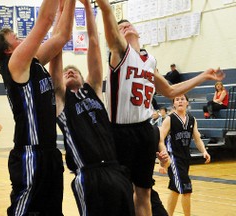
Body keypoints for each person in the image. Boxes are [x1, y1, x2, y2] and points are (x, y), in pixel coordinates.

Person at [95, 1, 224, 215]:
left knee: (144, 192)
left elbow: (171, 91)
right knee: (120, 191)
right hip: (119, 131)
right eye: (120, 26)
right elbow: (108, 14)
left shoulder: (149, 60)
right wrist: (104, 5)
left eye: (129, 24)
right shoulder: (118, 52)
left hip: (145, 131)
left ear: (138, 32)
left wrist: (203, 76)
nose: (125, 26)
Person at [0, 0, 76, 215]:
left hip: (49, 151)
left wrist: (67, 5)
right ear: (9, 50)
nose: (21, 38)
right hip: (30, 153)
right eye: (16, 38)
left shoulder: (33, 63)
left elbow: (61, 37)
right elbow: (45, 20)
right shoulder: (14, 64)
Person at [50, 0, 135, 215]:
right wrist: (59, 16)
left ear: (83, 77)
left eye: (74, 71)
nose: (70, 72)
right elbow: (55, 51)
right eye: (66, 73)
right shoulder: (61, 101)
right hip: (89, 175)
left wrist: (88, 7)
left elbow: (95, 42)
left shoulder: (94, 90)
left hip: (116, 169)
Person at [159, 94, 211, 216]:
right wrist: (163, 161)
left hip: (185, 158)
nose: (180, 101)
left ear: (187, 102)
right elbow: (160, 138)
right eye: (177, 99)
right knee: (187, 189)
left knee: (175, 189)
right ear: (174, 104)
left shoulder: (192, 120)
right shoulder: (169, 119)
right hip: (173, 159)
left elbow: (197, 139)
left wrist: (204, 151)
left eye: (182, 99)